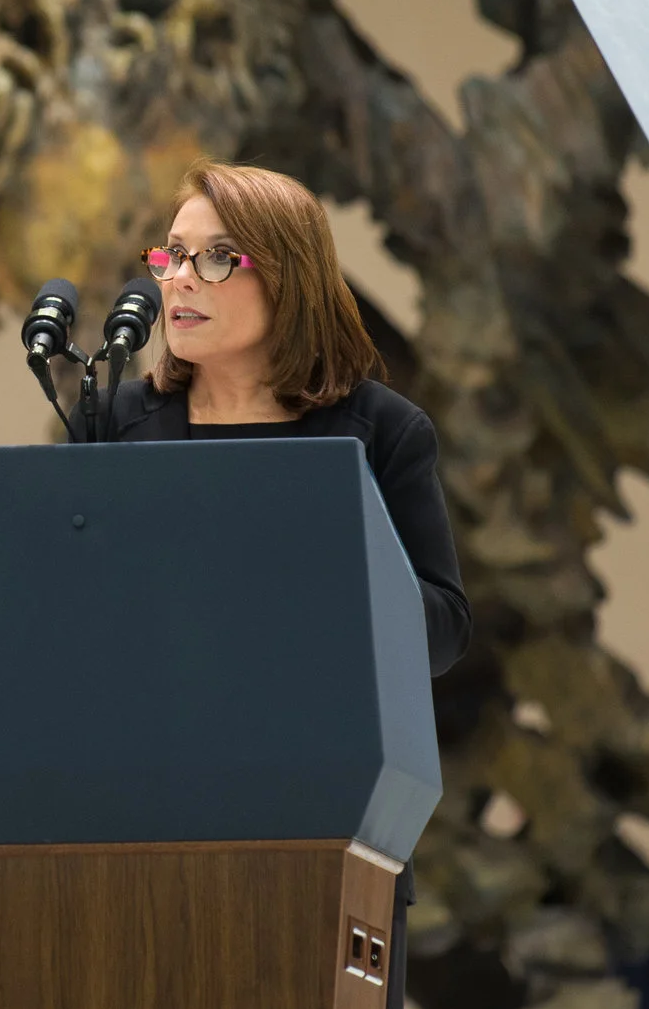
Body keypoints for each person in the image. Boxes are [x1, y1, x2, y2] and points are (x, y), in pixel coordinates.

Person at [84, 160, 471, 676]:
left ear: (288, 277)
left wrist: (332, 562)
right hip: (154, 732)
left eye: (217, 257)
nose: (180, 280)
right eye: (173, 254)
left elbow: (443, 636)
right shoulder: (115, 419)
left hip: (319, 735)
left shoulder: (382, 429)